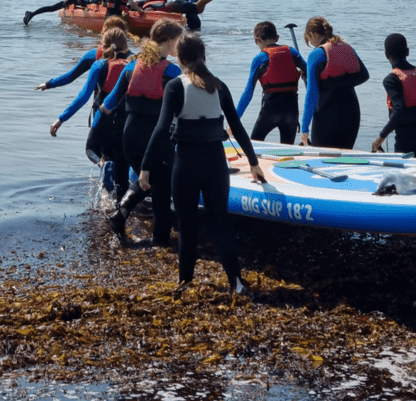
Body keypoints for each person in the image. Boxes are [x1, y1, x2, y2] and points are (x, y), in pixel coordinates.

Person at [139, 33, 265, 294]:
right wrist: (253, 163)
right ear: (203, 55)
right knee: (220, 223)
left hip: (186, 164)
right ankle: (236, 282)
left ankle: (185, 283)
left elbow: (161, 129)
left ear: (178, 57)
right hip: (216, 164)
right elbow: (238, 128)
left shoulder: (176, 86)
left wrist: (145, 165)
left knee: (188, 226)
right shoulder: (219, 86)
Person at [94, 19, 184, 245]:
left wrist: (97, 127)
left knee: (153, 182)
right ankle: (159, 240)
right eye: (178, 40)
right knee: (162, 189)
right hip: (155, 140)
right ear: (169, 42)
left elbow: (108, 103)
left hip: (130, 139)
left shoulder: (131, 66)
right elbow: (184, 108)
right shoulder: (171, 71)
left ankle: (122, 214)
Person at [50, 28, 134, 201]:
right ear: (126, 45)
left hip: (102, 116)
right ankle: (121, 210)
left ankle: (103, 165)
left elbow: (83, 96)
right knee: (122, 167)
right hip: (127, 121)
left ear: (104, 45)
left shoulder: (100, 65)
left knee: (91, 149)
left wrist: (61, 118)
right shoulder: (135, 64)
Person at [371, 33, 416, 160]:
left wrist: (382, 136)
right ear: (408, 52)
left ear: (386, 55)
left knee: (405, 178)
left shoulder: (391, 80)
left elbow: (399, 110)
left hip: (406, 140)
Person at [300, 16, 369, 148]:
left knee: (323, 159)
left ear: (313, 34)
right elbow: (364, 75)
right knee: (344, 160)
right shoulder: (347, 47)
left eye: (308, 38)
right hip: (351, 112)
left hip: (327, 114)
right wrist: (338, 83)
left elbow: (312, 94)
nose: (309, 41)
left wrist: (304, 127)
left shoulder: (316, 55)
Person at [236, 21, 307, 144]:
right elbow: (310, 74)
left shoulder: (260, 59)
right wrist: (302, 73)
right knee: (287, 150)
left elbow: (248, 93)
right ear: (277, 38)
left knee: (255, 145)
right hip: (291, 111)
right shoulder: (292, 52)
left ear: (256, 40)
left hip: (270, 112)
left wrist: (235, 120)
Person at [34, 16, 133, 90]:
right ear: (124, 36)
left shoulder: (93, 55)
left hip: (101, 109)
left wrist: (49, 84)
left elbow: (70, 76)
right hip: (127, 112)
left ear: (104, 35)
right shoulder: (134, 58)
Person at [23, 0, 93, 25]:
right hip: (75, 1)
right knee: (51, 8)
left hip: (69, 2)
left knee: (51, 8)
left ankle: (32, 13)